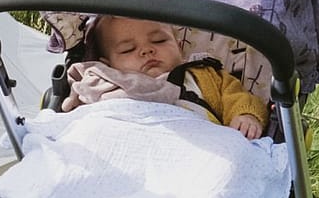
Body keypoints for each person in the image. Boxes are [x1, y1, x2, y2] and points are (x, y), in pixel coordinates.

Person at [65, 15, 266, 139]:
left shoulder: (206, 75)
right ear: (107, 64)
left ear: (179, 47)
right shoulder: (103, 80)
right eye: (128, 50)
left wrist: (246, 116)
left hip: (197, 145)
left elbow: (240, 98)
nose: (147, 50)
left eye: (159, 40)